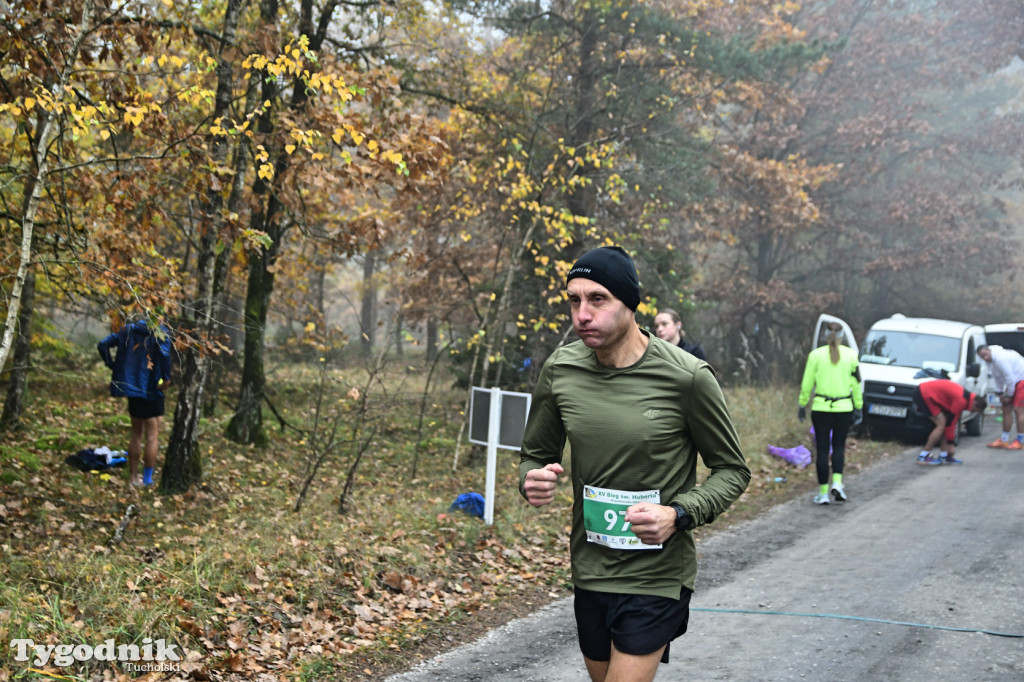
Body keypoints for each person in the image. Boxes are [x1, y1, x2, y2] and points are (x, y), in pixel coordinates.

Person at [519, 246, 750, 682]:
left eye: (597, 299)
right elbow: (536, 454)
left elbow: (733, 470)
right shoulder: (561, 370)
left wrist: (678, 513)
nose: (582, 314)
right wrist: (530, 480)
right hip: (590, 567)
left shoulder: (688, 377)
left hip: (657, 573)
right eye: (574, 300)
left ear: (630, 303)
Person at [97, 317, 172, 487]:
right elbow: (165, 355)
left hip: (131, 387)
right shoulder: (160, 332)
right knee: (152, 436)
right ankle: (147, 480)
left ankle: (132, 478)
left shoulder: (128, 330)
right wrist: (166, 378)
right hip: (153, 387)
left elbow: (102, 344)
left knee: (136, 433)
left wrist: (112, 364)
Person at [797, 322, 863, 505]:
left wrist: (802, 404)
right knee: (839, 447)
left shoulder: (815, 356)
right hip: (844, 407)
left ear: (825, 336)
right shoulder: (851, 356)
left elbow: (807, 383)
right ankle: (838, 484)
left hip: (821, 408)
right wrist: (859, 406)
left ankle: (823, 493)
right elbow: (856, 383)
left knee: (823, 450)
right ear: (842, 337)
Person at [911, 378, 987, 466]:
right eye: (975, 410)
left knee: (944, 423)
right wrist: (951, 445)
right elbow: (951, 423)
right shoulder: (961, 400)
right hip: (923, 393)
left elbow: (950, 423)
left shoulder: (965, 398)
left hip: (929, 393)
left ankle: (944, 455)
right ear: (974, 404)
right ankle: (924, 455)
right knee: (941, 425)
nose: (972, 412)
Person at [977, 344, 1024, 450]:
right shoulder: (990, 361)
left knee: (1018, 410)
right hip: (1013, 382)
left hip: (1021, 379)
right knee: (1006, 408)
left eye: (985, 355)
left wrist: (1010, 395)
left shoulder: (1000, 358)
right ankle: (1004, 439)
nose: (985, 358)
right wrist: (1000, 393)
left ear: (989, 350)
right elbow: (997, 378)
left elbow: (1009, 377)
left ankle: (1021, 440)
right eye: (982, 357)